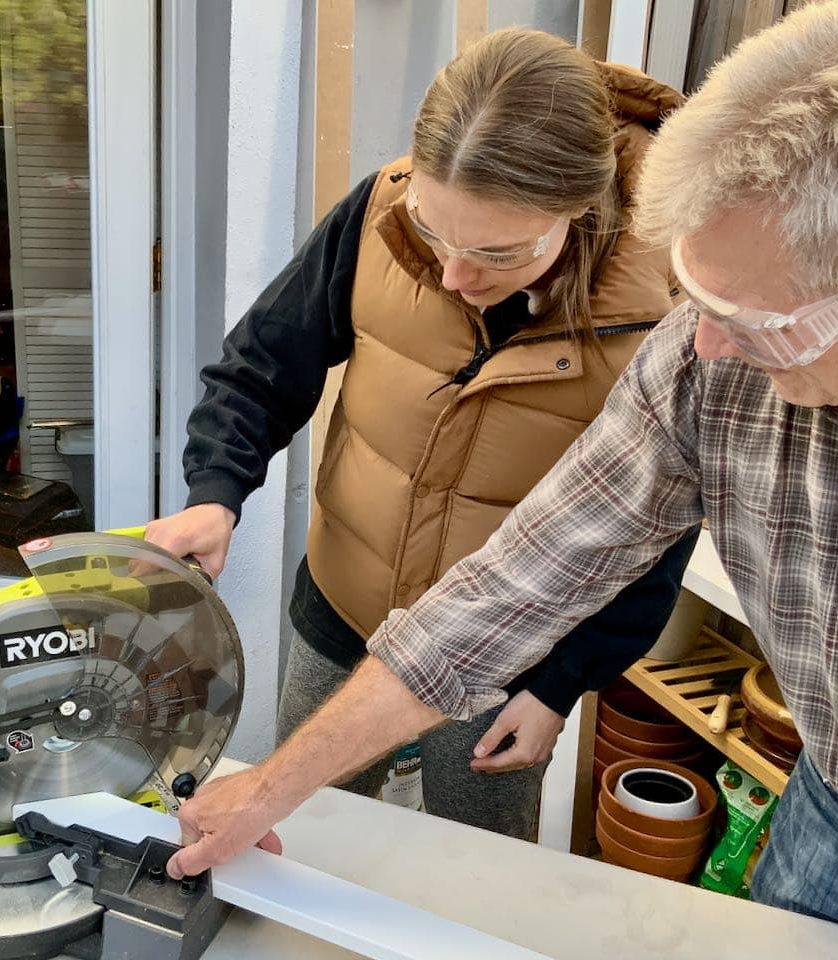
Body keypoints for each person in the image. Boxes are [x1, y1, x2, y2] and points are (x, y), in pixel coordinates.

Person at [162, 0, 838, 953]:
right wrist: (266, 789)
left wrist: (558, 684)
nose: (707, 341)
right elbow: (526, 575)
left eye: (753, 314)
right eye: (699, 294)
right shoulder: (703, 361)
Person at [146, 27, 697, 841]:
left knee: (472, 865)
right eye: (434, 233)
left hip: (513, 666)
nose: (451, 276)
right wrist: (215, 494)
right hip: (343, 606)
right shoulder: (377, 213)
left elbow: (658, 531)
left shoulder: (670, 310)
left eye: (494, 251)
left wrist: (559, 686)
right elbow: (260, 367)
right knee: (307, 834)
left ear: (578, 209)